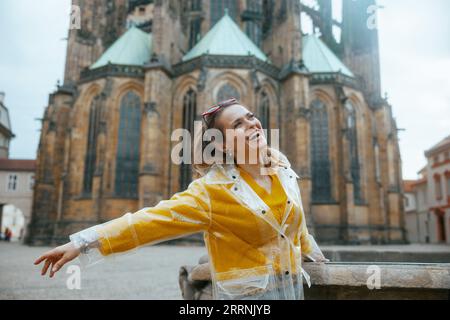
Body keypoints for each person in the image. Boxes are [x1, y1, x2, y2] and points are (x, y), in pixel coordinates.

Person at [34, 97, 328, 300]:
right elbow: (147, 222)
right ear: (222, 145)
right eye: (238, 124)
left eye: (251, 117)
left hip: (292, 291)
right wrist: (82, 243)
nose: (252, 124)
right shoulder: (212, 191)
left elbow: (295, 227)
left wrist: (316, 257)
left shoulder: (281, 167)